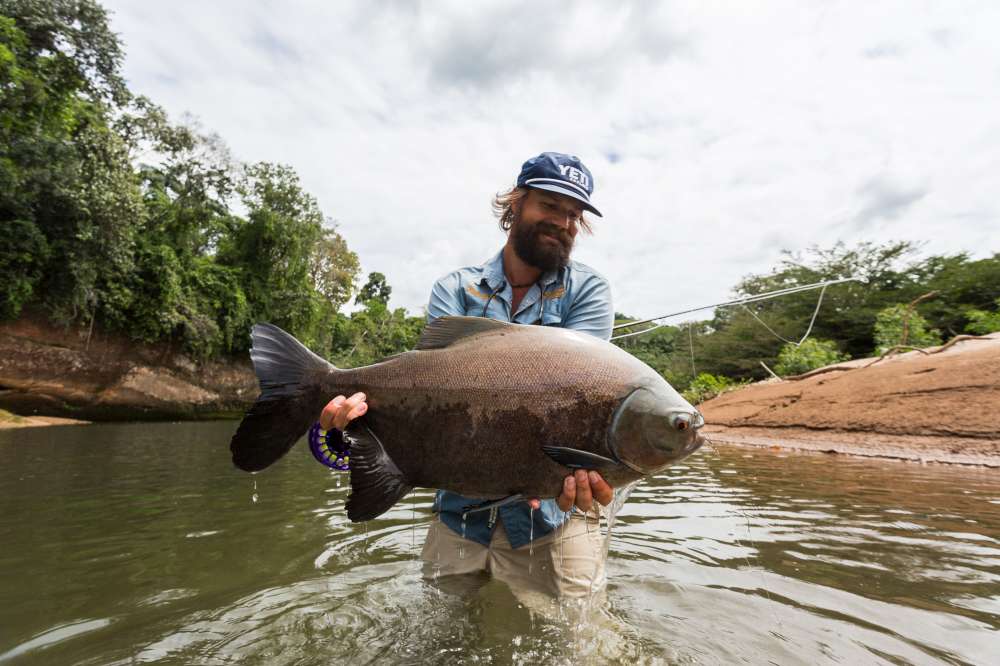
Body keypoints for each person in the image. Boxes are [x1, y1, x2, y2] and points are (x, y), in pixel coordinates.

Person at [319, 152, 616, 597]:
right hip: (458, 517)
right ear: (514, 204)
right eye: (550, 207)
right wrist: (350, 426)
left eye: (574, 214)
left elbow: (585, 400)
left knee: (571, 647)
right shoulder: (455, 289)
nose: (564, 223)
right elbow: (431, 399)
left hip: (555, 518)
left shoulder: (588, 292)